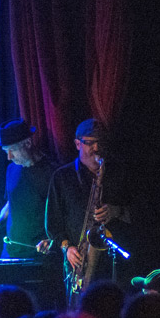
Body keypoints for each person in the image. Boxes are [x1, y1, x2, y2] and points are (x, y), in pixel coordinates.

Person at [45, 119, 131, 297]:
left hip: (115, 265)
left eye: (100, 142)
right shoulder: (62, 177)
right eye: (90, 143)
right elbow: (52, 223)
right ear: (78, 143)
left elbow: (142, 213)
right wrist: (67, 247)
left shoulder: (119, 173)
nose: (97, 148)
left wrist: (116, 211)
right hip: (78, 263)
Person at [0, 119, 58, 258]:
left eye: (13, 150)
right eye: (6, 151)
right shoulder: (11, 169)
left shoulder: (52, 172)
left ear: (28, 143)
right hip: (10, 253)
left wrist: (52, 240)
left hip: (39, 256)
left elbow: (62, 214)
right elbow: (11, 202)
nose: (9, 157)